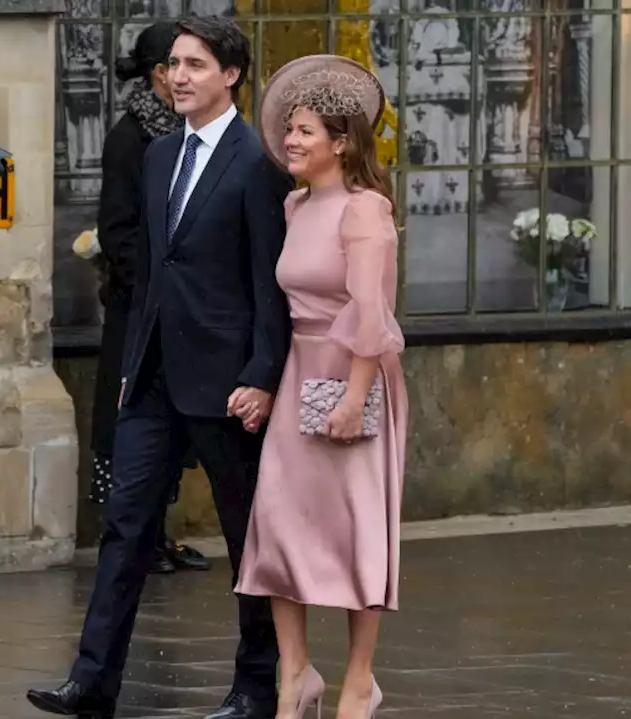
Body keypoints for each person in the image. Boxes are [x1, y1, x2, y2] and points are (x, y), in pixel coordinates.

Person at [26, 16, 293, 719]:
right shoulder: (156, 156)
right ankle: (92, 680)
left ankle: (256, 686)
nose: (178, 77)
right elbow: (148, 271)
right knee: (126, 525)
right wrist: (130, 360)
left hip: (228, 381)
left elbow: (270, 281)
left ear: (230, 75)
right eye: (173, 65)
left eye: (195, 65)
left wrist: (263, 374)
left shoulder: (259, 161)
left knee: (247, 540)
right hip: (151, 380)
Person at [234, 55, 408, 719]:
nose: (291, 141)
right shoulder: (294, 203)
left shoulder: (366, 211)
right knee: (279, 526)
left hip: (352, 375)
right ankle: (295, 674)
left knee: (358, 531)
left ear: (342, 140)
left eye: (305, 130)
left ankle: (360, 679)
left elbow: (371, 311)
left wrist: (352, 395)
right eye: (289, 131)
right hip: (298, 373)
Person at [87, 20, 208, 576]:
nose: (185, 77)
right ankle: (137, 540)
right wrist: (158, 288)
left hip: (178, 310)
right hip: (140, 309)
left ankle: (160, 536)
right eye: (179, 66)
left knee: (172, 428)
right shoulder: (131, 136)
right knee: (134, 425)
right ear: (159, 73)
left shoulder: (186, 134)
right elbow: (118, 231)